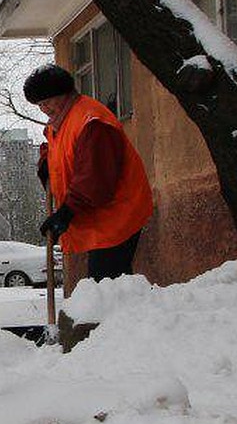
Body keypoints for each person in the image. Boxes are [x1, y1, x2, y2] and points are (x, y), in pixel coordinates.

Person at [25, 63, 153, 282]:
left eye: (46, 102)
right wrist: (45, 164)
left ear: (64, 95)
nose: (44, 109)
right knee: (107, 286)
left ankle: (122, 316)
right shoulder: (63, 122)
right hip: (100, 218)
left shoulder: (92, 122)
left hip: (117, 215)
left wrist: (65, 213)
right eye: (39, 105)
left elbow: (95, 179)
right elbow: (60, 151)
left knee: (106, 287)